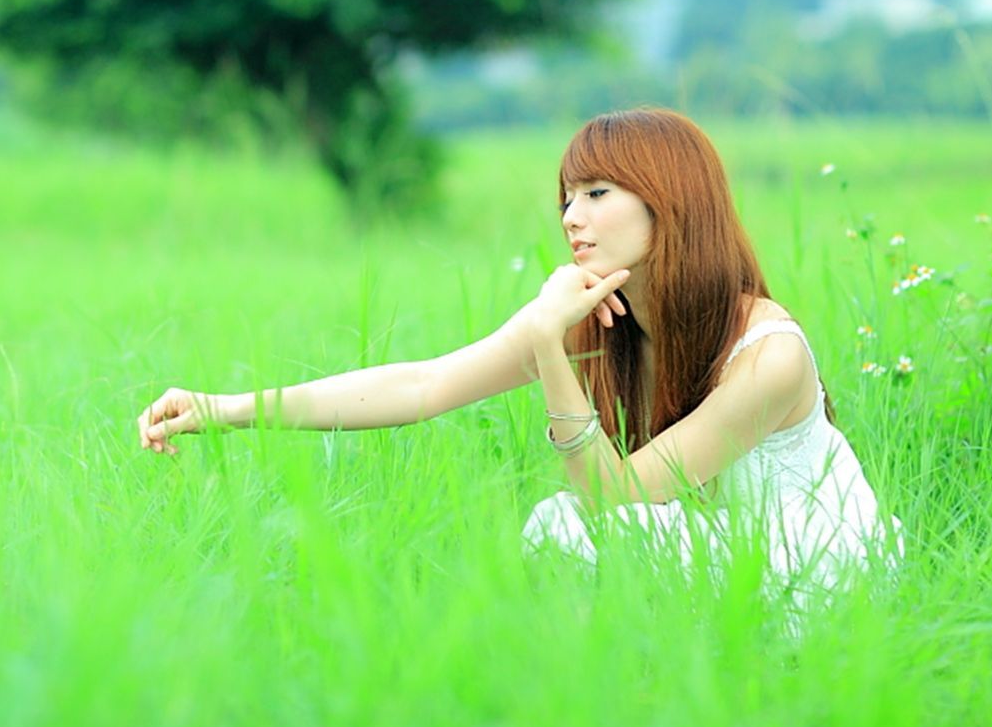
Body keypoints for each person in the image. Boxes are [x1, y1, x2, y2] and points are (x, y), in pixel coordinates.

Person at [135, 107, 902, 603]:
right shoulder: (591, 312)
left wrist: (545, 344)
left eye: (599, 193)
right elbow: (424, 384)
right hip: (722, 551)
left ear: (671, 203)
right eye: (567, 196)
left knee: (570, 525)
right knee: (570, 534)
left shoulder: (768, 356)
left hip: (822, 569)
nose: (573, 216)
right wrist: (227, 410)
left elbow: (616, 500)